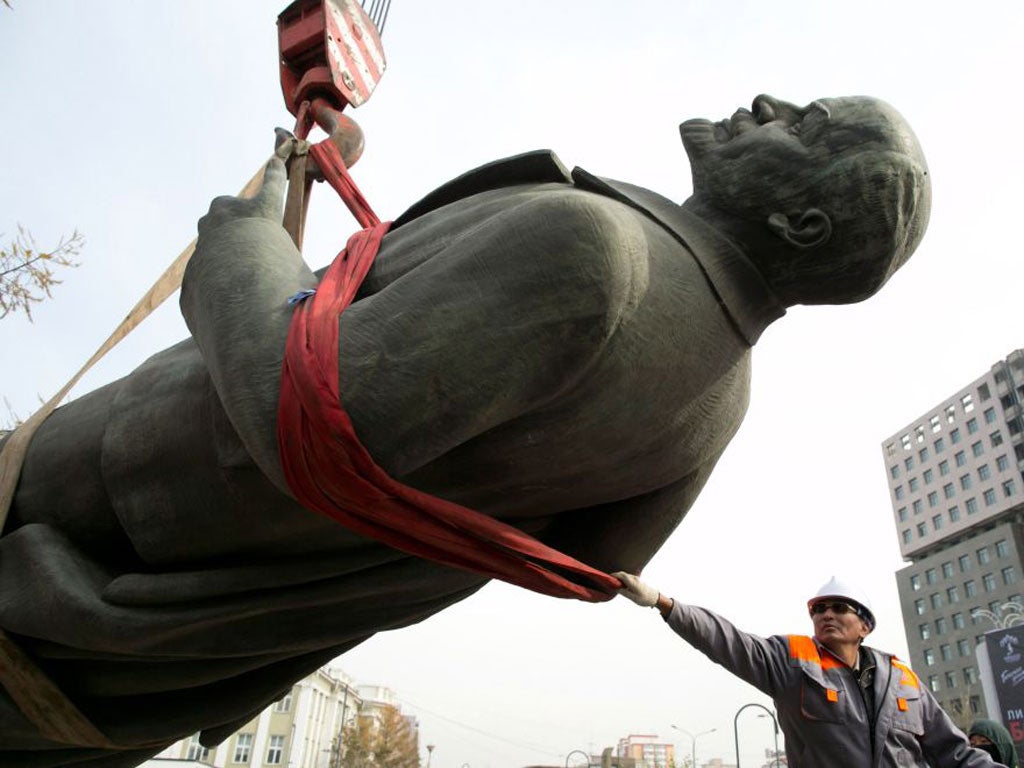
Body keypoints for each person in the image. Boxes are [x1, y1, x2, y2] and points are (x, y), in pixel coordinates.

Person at [0, 94, 930, 766]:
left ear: (798, 220)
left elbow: (305, 425)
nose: (770, 101)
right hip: (127, 671)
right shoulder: (717, 408)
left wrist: (244, 245)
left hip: (76, 523)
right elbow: (535, 560)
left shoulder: (598, 251)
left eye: (804, 126)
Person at [615, 573, 1002, 767]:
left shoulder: (904, 680)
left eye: (838, 607)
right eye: (819, 609)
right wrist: (663, 603)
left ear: (865, 625)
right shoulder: (791, 660)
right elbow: (727, 641)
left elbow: (955, 754)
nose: (826, 614)